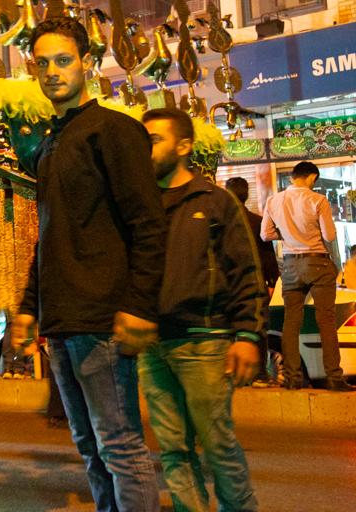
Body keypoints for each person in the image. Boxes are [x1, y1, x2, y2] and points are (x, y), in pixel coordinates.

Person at [11, 17, 166, 512]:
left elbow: (147, 224)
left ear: (88, 64)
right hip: (62, 323)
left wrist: (139, 305)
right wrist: (29, 307)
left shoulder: (114, 131)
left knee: (121, 447)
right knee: (90, 447)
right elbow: (50, 235)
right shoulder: (51, 145)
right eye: (43, 63)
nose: (53, 71)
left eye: (63, 60)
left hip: (101, 320)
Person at [139, 108, 264, 512]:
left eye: (155, 138)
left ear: (184, 145)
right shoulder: (139, 204)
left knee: (217, 445)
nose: (147, 147)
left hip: (205, 343)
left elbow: (246, 271)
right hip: (152, 345)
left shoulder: (215, 202)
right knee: (173, 450)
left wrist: (247, 336)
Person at [261, 161, 353, 391]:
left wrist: (288, 235)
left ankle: (292, 378)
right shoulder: (317, 200)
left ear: (292, 176)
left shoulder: (274, 200)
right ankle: (334, 376)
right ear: (312, 177)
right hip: (317, 264)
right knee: (326, 321)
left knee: (291, 322)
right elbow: (330, 236)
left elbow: (265, 234)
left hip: (291, 265)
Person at [225, 176, 281, 386]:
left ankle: (232, 373)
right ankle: (259, 375)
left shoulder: (224, 221)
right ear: (247, 195)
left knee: (230, 327)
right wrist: (272, 282)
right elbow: (268, 256)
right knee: (258, 328)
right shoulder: (257, 221)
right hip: (255, 282)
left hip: (229, 283)